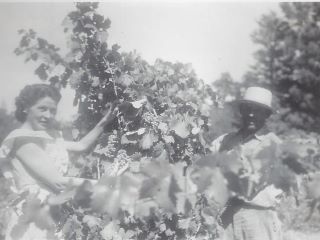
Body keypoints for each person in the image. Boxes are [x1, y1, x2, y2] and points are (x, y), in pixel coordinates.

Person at [0, 83, 116, 240]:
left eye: (52, 111)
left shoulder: (46, 139)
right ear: (26, 107)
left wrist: (104, 122)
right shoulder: (21, 139)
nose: (48, 115)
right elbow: (58, 182)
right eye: (42, 108)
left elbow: (81, 145)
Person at [210, 87, 286, 240]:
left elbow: (250, 185)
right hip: (227, 218)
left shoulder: (274, 145)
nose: (251, 114)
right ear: (241, 110)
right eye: (248, 108)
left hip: (258, 220)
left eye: (258, 110)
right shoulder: (225, 141)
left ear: (267, 114)